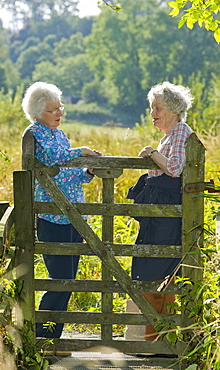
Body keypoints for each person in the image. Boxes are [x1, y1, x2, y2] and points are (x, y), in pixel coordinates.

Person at [22, 81, 102, 339]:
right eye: (52, 110)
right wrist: (83, 151)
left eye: (60, 108)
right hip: (53, 218)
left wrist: (86, 171)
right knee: (60, 281)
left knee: (68, 282)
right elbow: (56, 158)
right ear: (36, 113)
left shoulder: (60, 134)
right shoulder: (35, 133)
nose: (59, 113)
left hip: (73, 217)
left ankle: (52, 335)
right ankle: (40, 335)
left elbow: (66, 173)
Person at [127, 81, 194, 341]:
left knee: (160, 268)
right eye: (151, 108)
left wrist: (153, 153)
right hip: (158, 215)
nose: (152, 113)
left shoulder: (180, 132)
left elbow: (175, 168)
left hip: (166, 217)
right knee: (149, 265)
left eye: (157, 108)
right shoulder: (170, 135)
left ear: (174, 109)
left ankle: (157, 339)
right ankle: (148, 337)